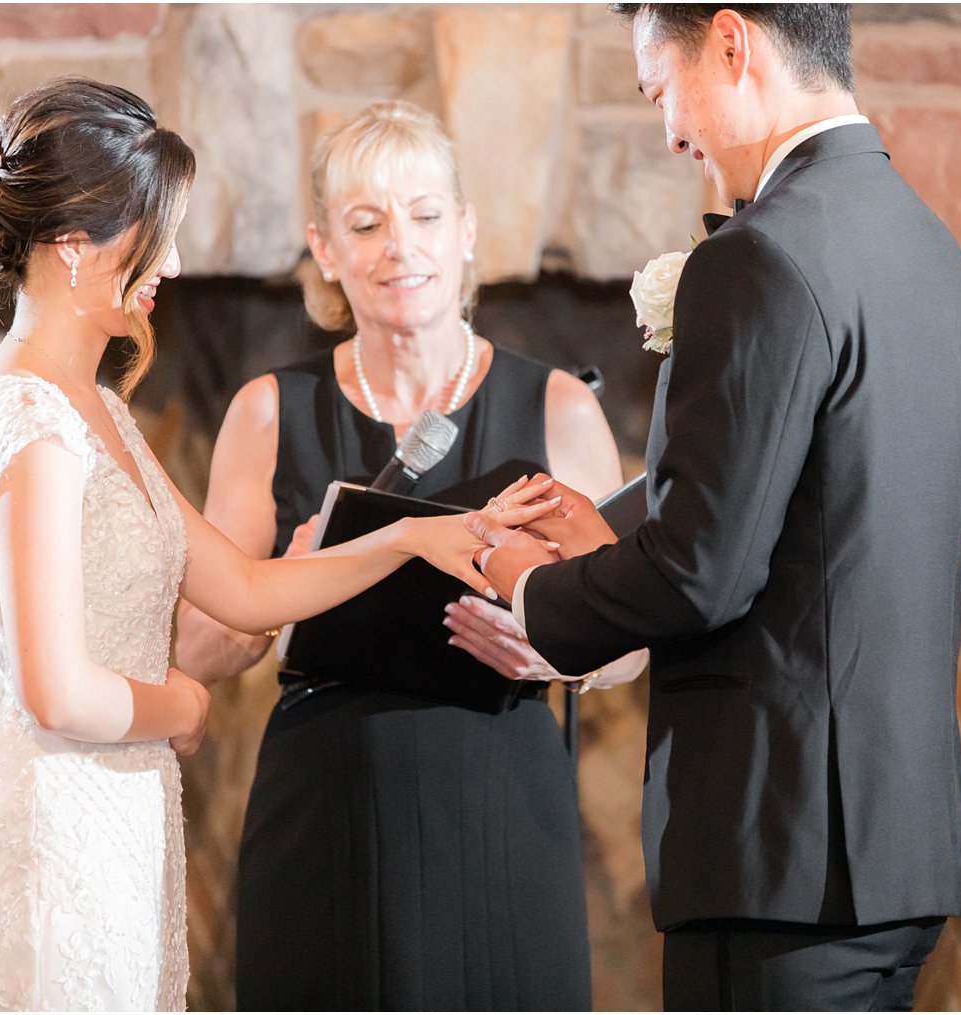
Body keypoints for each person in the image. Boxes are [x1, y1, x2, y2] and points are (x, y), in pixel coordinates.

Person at [0, 79, 544, 1012]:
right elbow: (56, 688)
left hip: (118, 824)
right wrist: (184, 702)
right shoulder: (32, 422)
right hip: (49, 845)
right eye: (153, 233)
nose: (170, 259)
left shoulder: (103, 415)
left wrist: (409, 534)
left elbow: (245, 587)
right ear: (77, 245)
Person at [467, 5, 961, 1011]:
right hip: (890, 842)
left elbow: (698, 574)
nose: (668, 132)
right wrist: (615, 534)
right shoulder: (928, 249)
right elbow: (820, 515)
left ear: (730, 42)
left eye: (658, 89)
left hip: (778, 850)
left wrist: (527, 583)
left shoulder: (757, 257)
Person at [173, 100, 647, 1010]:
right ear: (326, 248)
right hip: (327, 799)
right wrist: (290, 578)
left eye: (426, 215)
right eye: (367, 223)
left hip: (501, 794)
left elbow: (630, 640)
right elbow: (199, 647)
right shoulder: (269, 411)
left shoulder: (558, 409)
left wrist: (560, 647)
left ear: (466, 232)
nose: (402, 246)